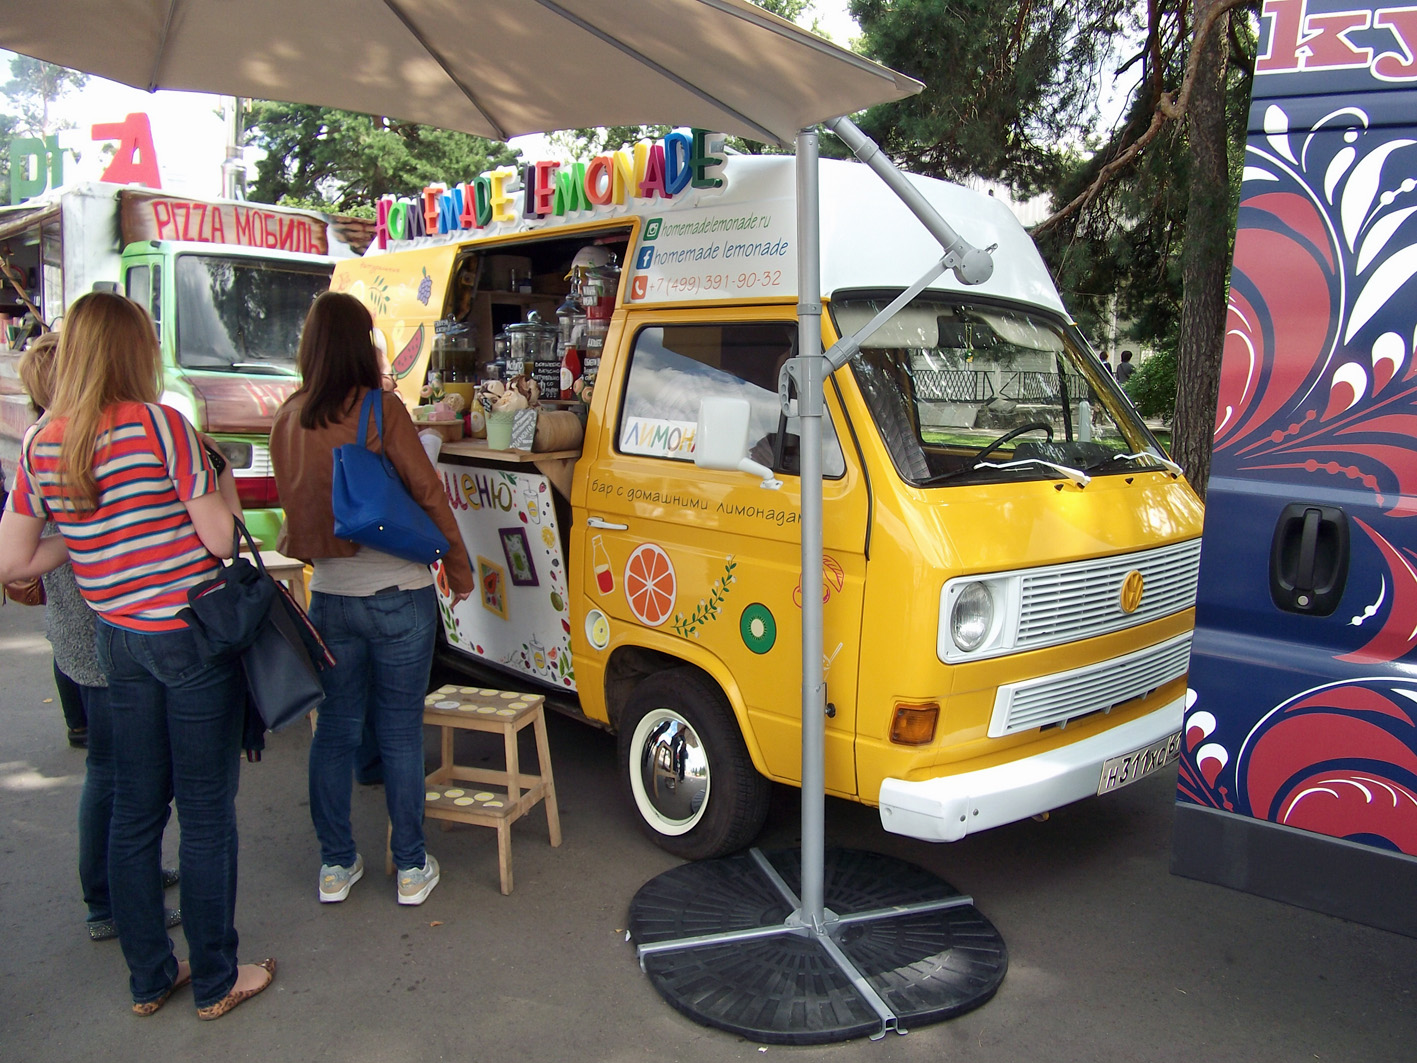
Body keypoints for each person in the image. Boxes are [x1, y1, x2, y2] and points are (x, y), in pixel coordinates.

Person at [0, 292, 275, 1019]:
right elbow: (220, 540)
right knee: (207, 814)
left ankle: (151, 977)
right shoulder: (162, 426)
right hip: (189, 637)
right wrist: (219, 482)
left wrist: (90, 542)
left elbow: (14, 561)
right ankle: (216, 979)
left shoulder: (42, 441)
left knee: (134, 811)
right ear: (134, 351)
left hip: (117, 641)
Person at [269, 291, 474, 907]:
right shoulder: (381, 410)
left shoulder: (288, 417)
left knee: (334, 731)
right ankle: (410, 868)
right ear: (361, 345)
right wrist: (457, 565)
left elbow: (298, 509)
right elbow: (428, 492)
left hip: (330, 598)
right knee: (401, 731)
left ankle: (335, 866)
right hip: (400, 596)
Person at [17, 333, 185, 942]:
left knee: (117, 772)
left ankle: (122, 882)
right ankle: (107, 901)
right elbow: (21, 555)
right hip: (99, 629)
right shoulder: (60, 443)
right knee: (118, 774)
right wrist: (87, 535)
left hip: (86, 629)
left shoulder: (51, 438)